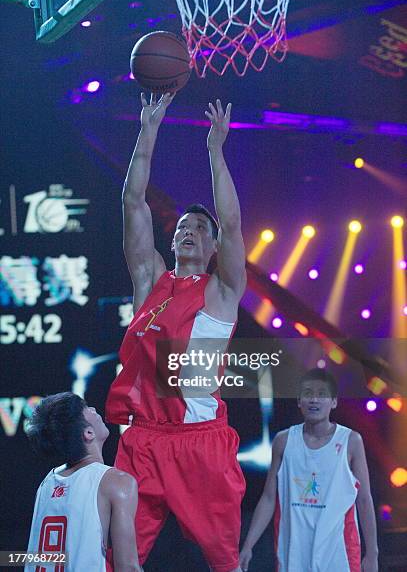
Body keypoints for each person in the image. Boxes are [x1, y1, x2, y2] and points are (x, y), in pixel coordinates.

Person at [105, 93, 247, 572]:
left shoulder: (223, 290)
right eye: (182, 226)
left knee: (223, 561)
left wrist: (216, 149)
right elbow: (132, 200)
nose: (189, 230)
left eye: (199, 228)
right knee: (116, 558)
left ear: (213, 247)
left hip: (200, 442)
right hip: (141, 440)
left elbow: (230, 220)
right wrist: (148, 130)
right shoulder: (150, 280)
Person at [239, 368, 379, 572]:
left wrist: (372, 554)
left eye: (321, 395)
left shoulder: (350, 441)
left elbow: (364, 499)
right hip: (292, 554)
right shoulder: (283, 441)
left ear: (334, 402)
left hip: (338, 555)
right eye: (308, 394)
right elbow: (269, 498)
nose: (314, 400)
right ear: (299, 401)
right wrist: (248, 546)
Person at [25, 392, 141, 572]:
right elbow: (128, 567)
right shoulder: (116, 482)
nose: (94, 409)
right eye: (87, 409)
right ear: (88, 433)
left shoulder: (46, 484)